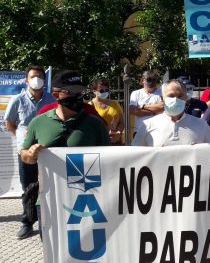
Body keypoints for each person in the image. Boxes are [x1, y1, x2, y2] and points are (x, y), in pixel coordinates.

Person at [20, 71, 111, 237]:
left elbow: (110, 160)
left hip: (87, 201)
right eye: (71, 92)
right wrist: (31, 154)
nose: (77, 96)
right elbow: (24, 154)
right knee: (52, 252)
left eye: (80, 92)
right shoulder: (38, 122)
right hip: (48, 200)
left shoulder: (95, 125)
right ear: (56, 95)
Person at [5, 65, 56, 239]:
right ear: (27, 80)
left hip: (47, 152)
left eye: (40, 76)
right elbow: (9, 123)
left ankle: (46, 221)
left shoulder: (52, 100)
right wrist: (22, 139)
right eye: (33, 77)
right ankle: (27, 222)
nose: (37, 79)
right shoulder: (17, 100)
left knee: (47, 186)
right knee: (28, 186)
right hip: (26, 152)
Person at [132, 79, 210, 146]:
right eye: (171, 96)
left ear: (186, 98)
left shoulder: (202, 125)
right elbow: (136, 157)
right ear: (162, 98)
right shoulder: (147, 126)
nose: (176, 99)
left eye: (180, 96)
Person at [88, 78, 124, 144]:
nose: (104, 92)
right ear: (94, 91)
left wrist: (118, 132)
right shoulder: (91, 105)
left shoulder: (115, 103)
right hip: (99, 141)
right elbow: (90, 126)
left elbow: (122, 122)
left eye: (106, 90)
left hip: (115, 141)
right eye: (101, 91)